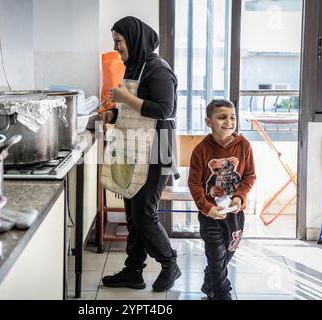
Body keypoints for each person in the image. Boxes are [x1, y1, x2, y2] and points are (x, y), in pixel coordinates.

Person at [100, 16, 181, 292]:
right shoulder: (134, 67)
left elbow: (164, 110)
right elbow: (133, 110)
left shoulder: (158, 70)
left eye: (119, 41)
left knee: (144, 214)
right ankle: (133, 271)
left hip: (156, 149)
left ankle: (170, 264)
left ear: (134, 40)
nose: (117, 47)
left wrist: (125, 99)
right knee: (133, 214)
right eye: (115, 41)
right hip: (134, 147)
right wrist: (114, 112)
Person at [188, 99, 256, 300]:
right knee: (216, 256)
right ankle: (222, 292)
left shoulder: (244, 146)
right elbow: (194, 183)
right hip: (210, 214)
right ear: (208, 121)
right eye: (222, 117)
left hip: (235, 213)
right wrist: (206, 207)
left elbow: (250, 176)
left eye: (232, 117)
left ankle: (210, 281)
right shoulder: (201, 150)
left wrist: (240, 197)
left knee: (228, 252)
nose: (229, 121)